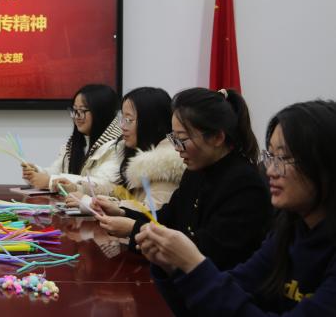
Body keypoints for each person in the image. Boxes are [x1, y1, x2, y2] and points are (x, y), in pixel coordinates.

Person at [136, 100, 336, 316]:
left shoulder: (244, 184)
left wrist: (193, 264)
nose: (271, 171)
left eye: (284, 158)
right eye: (270, 156)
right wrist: (172, 267)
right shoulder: (286, 233)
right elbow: (215, 302)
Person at [93, 87, 272, 315]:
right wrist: (122, 213)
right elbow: (167, 217)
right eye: (174, 139)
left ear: (217, 137)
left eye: (183, 140)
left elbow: (205, 251)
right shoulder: (196, 171)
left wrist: (134, 228)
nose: (177, 149)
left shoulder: (244, 184)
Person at [65, 87, 183, 233]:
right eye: (123, 119)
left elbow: (153, 213)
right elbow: (118, 191)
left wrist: (91, 202)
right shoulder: (133, 152)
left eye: (129, 120)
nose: (122, 126)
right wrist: (79, 188)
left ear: (151, 121)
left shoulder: (165, 164)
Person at [22, 84, 122, 191]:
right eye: (75, 110)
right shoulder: (77, 141)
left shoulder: (119, 145)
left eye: (82, 111)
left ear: (101, 113)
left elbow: (102, 183)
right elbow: (57, 170)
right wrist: (37, 172)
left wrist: (50, 181)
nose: (77, 116)